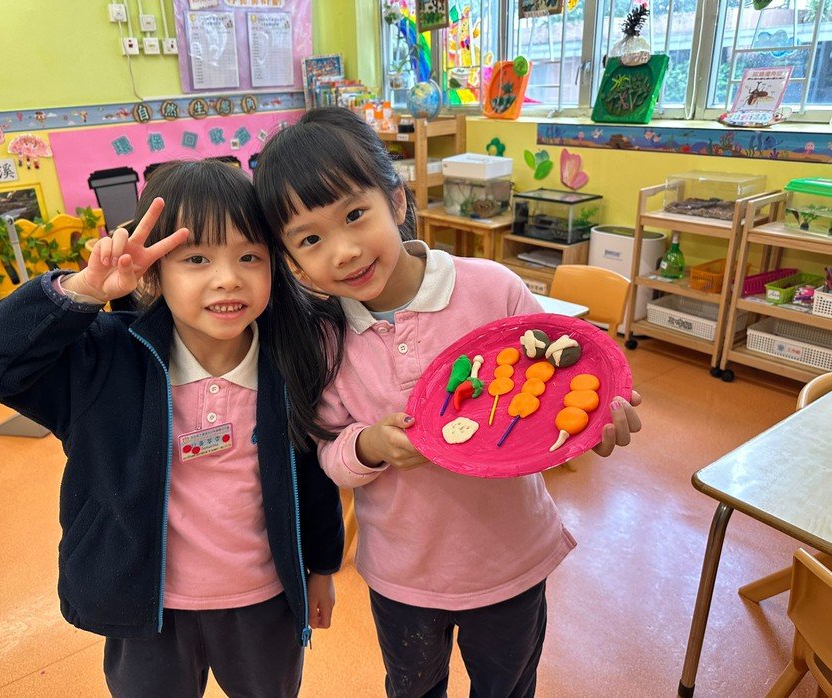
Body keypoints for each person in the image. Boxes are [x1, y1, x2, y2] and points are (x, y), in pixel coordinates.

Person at [254, 107, 642, 698]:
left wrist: (595, 424)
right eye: (311, 239)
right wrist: (370, 445)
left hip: (510, 563)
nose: (344, 251)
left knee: (507, 687)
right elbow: (329, 452)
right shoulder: (324, 340)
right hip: (403, 575)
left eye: (355, 215)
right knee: (413, 688)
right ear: (292, 260)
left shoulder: (491, 288)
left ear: (396, 200)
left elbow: (555, 385)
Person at [0, 160, 344, 698]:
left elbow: (314, 475)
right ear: (155, 274)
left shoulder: (288, 360)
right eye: (196, 258)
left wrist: (322, 567)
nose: (227, 278)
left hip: (264, 600)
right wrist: (84, 289)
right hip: (145, 606)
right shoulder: (108, 361)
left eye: (249, 257)